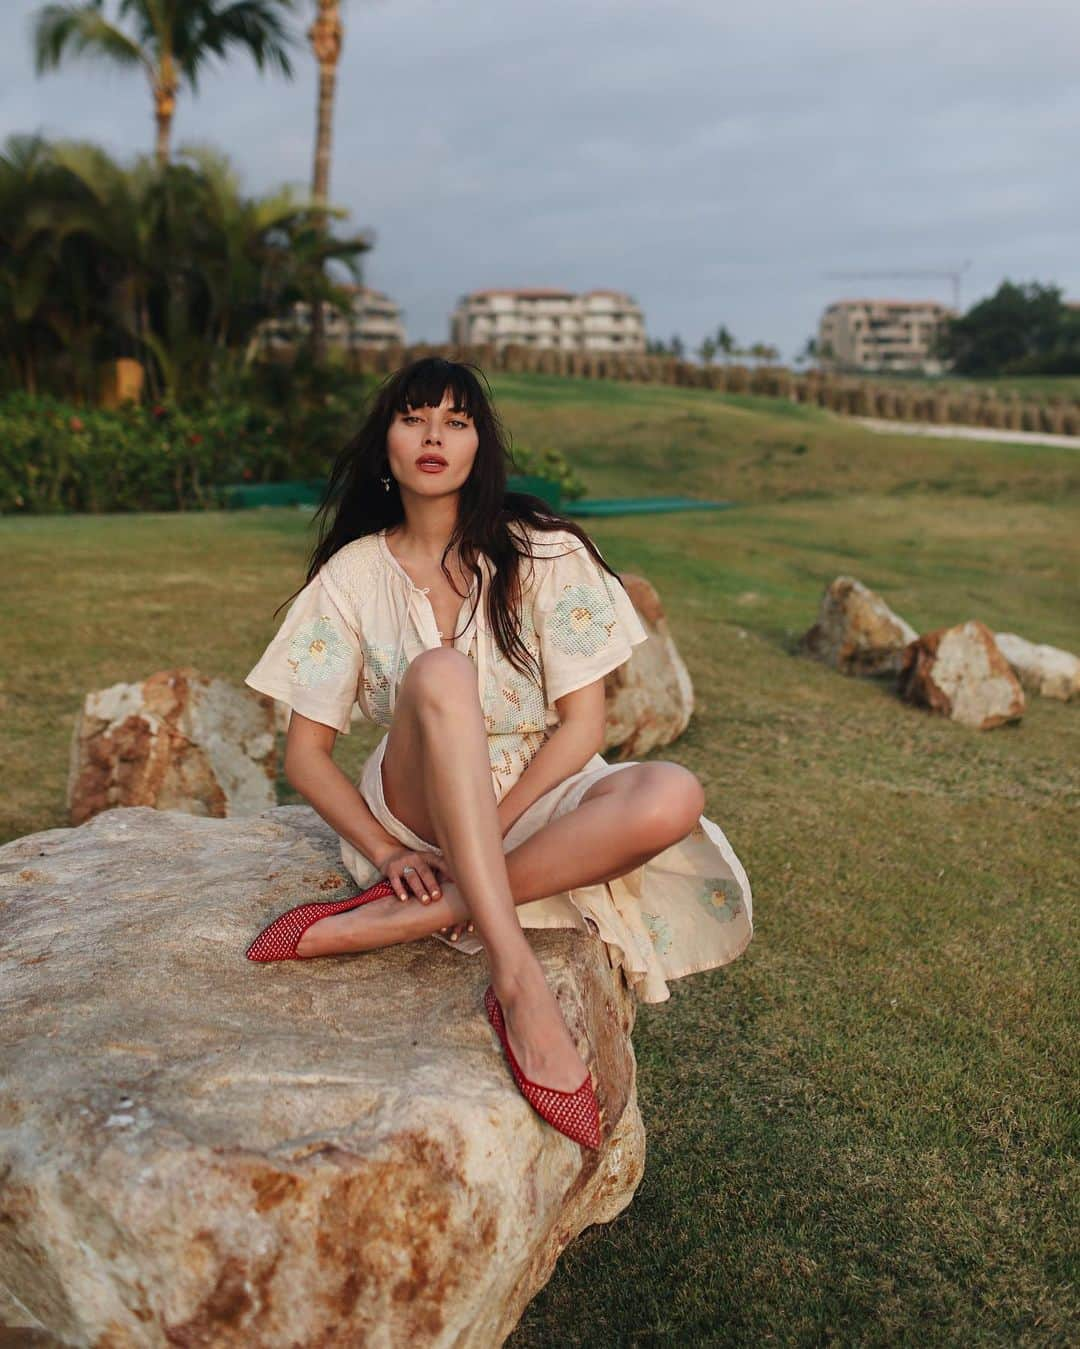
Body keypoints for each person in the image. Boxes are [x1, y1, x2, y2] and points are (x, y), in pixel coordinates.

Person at [243, 356, 753, 1149]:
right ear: (385, 446)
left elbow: (584, 728)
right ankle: (514, 980)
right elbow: (306, 756)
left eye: (457, 419)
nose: (435, 436)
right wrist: (383, 849)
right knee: (440, 670)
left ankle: (425, 914)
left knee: (672, 793)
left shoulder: (544, 550)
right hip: (416, 799)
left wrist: (494, 822)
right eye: (413, 419)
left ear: (481, 443)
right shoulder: (351, 577)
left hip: (536, 789)